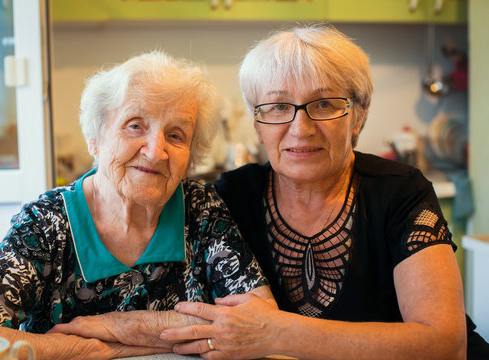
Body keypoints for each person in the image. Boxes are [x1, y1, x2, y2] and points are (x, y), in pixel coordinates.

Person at [160, 24, 489, 359]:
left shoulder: (400, 191)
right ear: (258, 124)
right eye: (278, 107)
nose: (300, 129)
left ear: (358, 116)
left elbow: (445, 345)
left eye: (324, 105)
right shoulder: (229, 197)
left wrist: (275, 332)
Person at [0, 51, 273, 359]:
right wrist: (85, 350)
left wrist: (117, 330)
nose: (155, 151)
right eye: (135, 125)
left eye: (176, 135)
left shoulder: (201, 209)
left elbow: (260, 323)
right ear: (96, 137)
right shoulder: (46, 224)